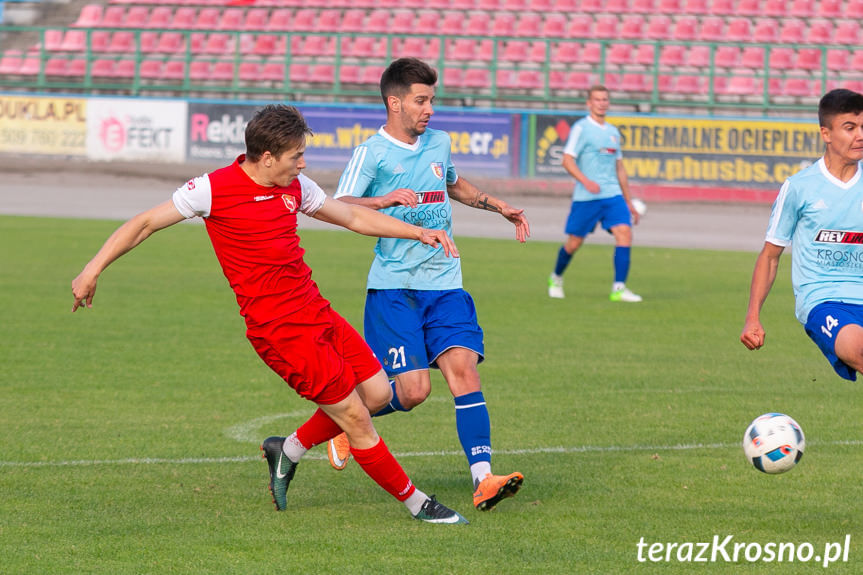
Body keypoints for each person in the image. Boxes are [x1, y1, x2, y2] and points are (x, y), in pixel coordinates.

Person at [70, 104, 468, 524]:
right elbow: (145, 223)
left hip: (316, 311)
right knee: (355, 419)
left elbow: (350, 215)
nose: (303, 162)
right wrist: (92, 269)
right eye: (296, 155)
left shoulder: (296, 185)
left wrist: (418, 231)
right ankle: (419, 504)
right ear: (266, 158)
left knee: (379, 395)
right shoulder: (211, 189)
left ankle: (288, 449)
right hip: (280, 331)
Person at [329, 57, 530, 512]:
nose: (429, 109)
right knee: (414, 391)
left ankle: (483, 479)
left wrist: (496, 205)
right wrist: (382, 199)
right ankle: (346, 423)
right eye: (421, 101)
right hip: (394, 288)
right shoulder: (372, 152)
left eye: (432, 100)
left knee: (465, 370)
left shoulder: (438, 143)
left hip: (445, 281)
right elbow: (337, 205)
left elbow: (452, 185)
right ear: (394, 102)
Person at [741, 88, 863, 380]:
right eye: (850, 128)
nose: (860, 135)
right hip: (823, 299)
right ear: (826, 133)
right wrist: (752, 317)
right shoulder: (799, 188)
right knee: (858, 348)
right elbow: (770, 256)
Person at [548, 85, 642, 302]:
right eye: (597, 99)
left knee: (624, 233)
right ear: (589, 103)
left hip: (612, 194)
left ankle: (619, 288)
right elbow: (567, 159)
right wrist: (585, 181)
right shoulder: (582, 128)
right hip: (587, 196)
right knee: (574, 243)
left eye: (605, 99)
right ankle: (556, 277)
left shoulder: (612, 133)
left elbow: (619, 168)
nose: (602, 103)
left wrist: (629, 202)